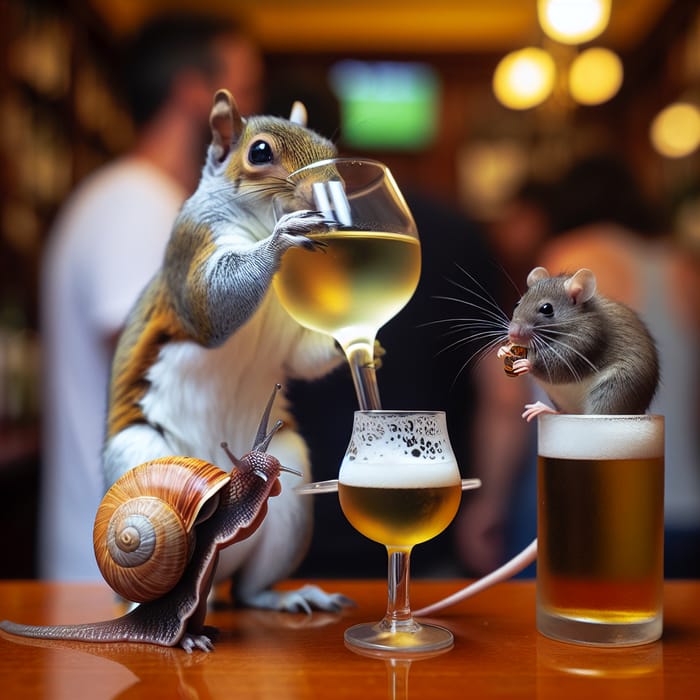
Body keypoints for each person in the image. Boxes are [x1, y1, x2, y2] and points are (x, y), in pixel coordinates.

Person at [38, 13, 264, 581]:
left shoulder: (139, 201)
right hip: (123, 585)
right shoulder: (138, 206)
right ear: (195, 93)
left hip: (133, 577)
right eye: (249, 92)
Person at [538, 154, 700, 578]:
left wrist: (490, 502)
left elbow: (510, 401)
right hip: (682, 504)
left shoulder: (569, 262)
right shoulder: (684, 267)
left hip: (586, 500)